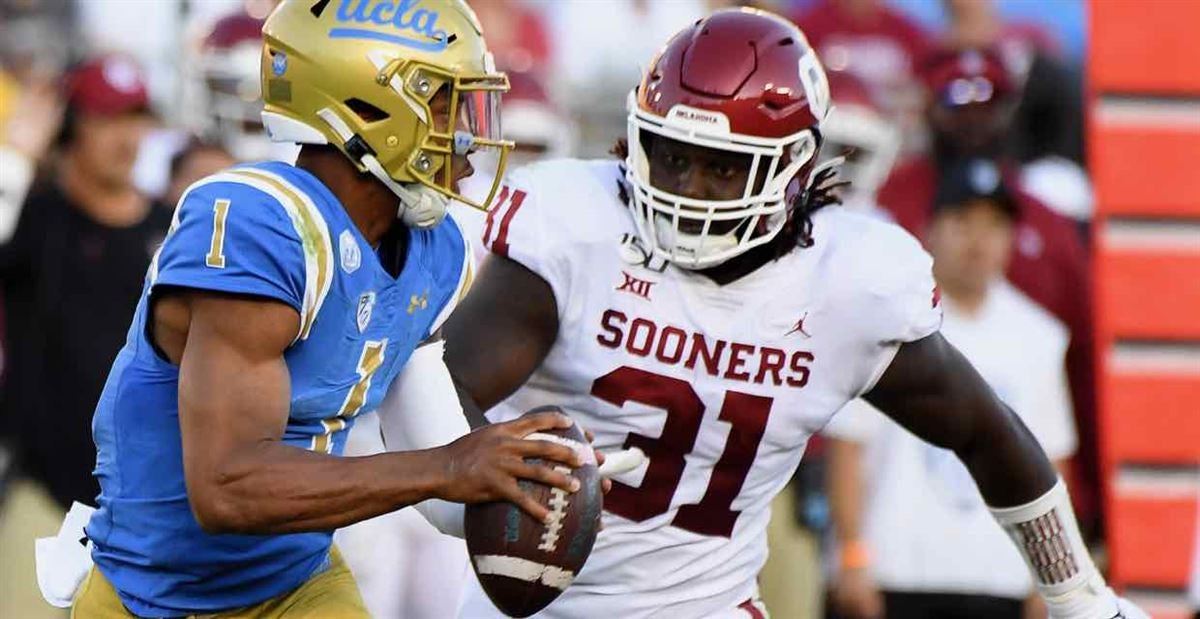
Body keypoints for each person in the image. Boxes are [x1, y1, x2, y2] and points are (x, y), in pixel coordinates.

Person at [439, 9, 1144, 619]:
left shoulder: (849, 284)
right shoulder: (576, 228)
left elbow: (989, 434)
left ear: (792, 168)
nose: (689, 187)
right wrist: (497, 481)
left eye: (722, 165)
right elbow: (448, 386)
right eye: (673, 156)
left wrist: (1079, 594)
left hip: (703, 604)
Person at [64, 2, 588, 617]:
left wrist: (534, 481)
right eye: (448, 104)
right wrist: (447, 466)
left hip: (296, 583)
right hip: (147, 596)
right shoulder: (262, 228)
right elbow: (226, 489)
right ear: (366, 108)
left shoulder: (431, 244)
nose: (471, 133)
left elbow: (445, 485)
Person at [825, 159, 1077, 619]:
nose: (978, 242)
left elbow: (1052, 462)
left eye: (993, 226)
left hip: (997, 576)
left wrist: (1053, 577)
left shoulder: (1040, 337)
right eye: (962, 221)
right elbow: (849, 447)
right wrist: (852, 554)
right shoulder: (891, 320)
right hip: (897, 570)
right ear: (931, 229)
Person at [876, 46, 1100, 537]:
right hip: (898, 474)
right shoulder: (885, 208)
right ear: (930, 107)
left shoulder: (1048, 220)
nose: (973, 124)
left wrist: (1086, 491)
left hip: (1025, 452)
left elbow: (1081, 360)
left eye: (987, 107)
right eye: (958, 106)